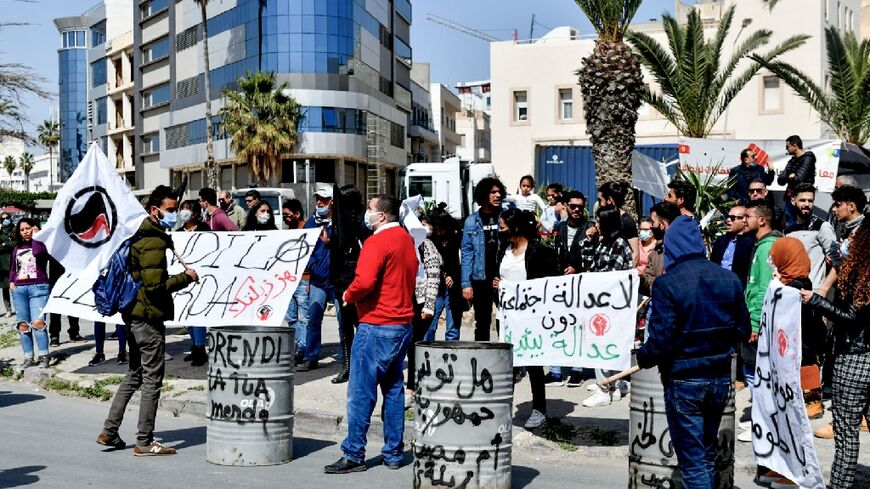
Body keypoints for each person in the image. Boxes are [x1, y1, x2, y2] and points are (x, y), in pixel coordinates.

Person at [636, 215, 750, 489]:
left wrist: (643, 356)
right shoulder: (729, 279)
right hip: (720, 379)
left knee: (694, 462)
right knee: (707, 453)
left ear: (673, 246)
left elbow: (661, 339)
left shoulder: (667, 283)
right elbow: (743, 330)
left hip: (685, 380)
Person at [97, 185, 199, 456]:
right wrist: (185, 278)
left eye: (175, 209)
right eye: (169, 210)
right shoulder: (152, 240)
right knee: (152, 379)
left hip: (133, 316)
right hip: (148, 318)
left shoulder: (144, 234)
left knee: (134, 374)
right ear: (154, 210)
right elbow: (155, 286)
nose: (174, 214)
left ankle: (110, 431)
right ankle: (144, 440)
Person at [324, 194, 417, 474]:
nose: (366, 213)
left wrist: (349, 295)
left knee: (361, 393)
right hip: (401, 324)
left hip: (376, 324)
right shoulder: (406, 240)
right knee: (393, 389)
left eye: (370, 209)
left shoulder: (377, 242)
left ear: (383, 215)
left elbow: (364, 281)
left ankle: (353, 453)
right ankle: (393, 453)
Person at [801, 218, 870, 489]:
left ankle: (838, 486)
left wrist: (816, 300)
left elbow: (851, 319)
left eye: (854, 239)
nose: (848, 243)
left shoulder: (862, 279)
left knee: (846, 435)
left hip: (853, 359)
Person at [493, 208, 560, 428]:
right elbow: (498, 278)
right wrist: (498, 288)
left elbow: (548, 285)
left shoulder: (538, 252)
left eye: (503, 227)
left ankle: (539, 409)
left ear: (516, 228)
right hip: (505, 315)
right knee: (505, 364)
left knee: (533, 363)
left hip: (530, 317)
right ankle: (502, 409)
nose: (500, 231)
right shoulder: (503, 248)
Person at [578, 205, 634, 407]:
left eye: (599, 221)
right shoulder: (604, 243)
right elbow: (590, 265)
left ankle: (606, 388)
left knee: (605, 346)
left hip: (612, 306)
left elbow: (611, 277)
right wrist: (589, 242)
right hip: (599, 304)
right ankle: (611, 385)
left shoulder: (619, 244)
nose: (596, 225)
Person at [737, 201, 781, 443]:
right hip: (755, 319)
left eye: (748, 217)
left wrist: (754, 323)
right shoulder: (760, 245)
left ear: (762, 220)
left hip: (760, 323)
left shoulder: (767, 248)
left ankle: (764, 423)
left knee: (756, 370)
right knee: (753, 368)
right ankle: (759, 419)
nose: (745, 220)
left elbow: (763, 289)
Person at [769, 237, 826, 419]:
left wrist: (776, 285)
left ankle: (812, 402)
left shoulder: (794, 286)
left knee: (806, 364)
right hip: (804, 339)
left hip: (803, 342)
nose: (772, 258)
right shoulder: (800, 279)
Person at [298, 186, 342, 372]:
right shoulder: (311, 223)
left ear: (332, 201)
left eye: (323, 199)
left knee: (343, 320)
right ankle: (311, 357)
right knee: (313, 319)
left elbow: (347, 248)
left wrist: (331, 243)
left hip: (338, 281)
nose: (319, 202)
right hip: (317, 281)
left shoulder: (340, 222)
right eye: (317, 198)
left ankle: (345, 357)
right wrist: (312, 267)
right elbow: (304, 248)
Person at [329, 184, 368, 384]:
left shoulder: (363, 223)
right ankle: (347, 367)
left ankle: (362, 367)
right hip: (340, 280)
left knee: (361, 325)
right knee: (344, 327)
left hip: (359, 281)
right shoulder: (338, 221)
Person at [461, 177, 506, 341]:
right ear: (483, 195)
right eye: (493, 192)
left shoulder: (506, 216)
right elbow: (467, 253)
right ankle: (482, 361)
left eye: (499, 192)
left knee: (506, 320)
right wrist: (466, 284)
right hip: (480, 279)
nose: (497, 195)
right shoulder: (472, 221)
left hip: (503, 277)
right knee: (482, 322)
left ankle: (508, 360)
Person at [404, 214, 440, 406]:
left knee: (414, 345)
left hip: (420, 302)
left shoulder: (428, 247)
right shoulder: (403, 244)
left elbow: (434, 278)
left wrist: (429, 305)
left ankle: (412, 387)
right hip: (403, 301)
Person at [10, 217, 52, 369]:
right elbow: (14, 268)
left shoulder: (41, 244)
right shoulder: (17, 248)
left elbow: (38, 252)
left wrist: (36, 236)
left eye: (28, 228)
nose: (25, 232)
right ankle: (28, 357)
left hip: (39, 287)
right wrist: (12, 282)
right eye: (22, 230)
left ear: (34, 227)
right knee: (23, 325)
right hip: (19, 289)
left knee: (38, 322)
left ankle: (44, 356)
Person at [785, 183, 841, 297]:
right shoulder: (788, 231)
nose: (807, 204)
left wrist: (824, 290)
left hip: (813, 294)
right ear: (793, 201)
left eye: (810, 201)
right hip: (791, 293)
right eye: (802, 200)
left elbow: (838, 261)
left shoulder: (822, 226)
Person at [176, 199, 210, 367]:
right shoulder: (178, 232)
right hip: (184, 279)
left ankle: (200, 348)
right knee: (187, 314)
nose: (184, 212)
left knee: (198, 315)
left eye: (188, 209)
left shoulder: (205, 230)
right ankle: (195, 344)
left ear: (196, 213)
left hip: (201, 279)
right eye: (182, 209)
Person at [426, 206, 463, 342]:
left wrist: (453, 276)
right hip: (436, 286)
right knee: (430, 324)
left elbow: (461, 261)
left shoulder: (457, 237)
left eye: (441, 228)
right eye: (436, 228)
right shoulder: (431, 240)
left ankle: (452, 354)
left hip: (455, 287)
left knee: (452, 326)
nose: (438, 232)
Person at [282, 198, 308, 364]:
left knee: (304, 318)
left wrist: (310, 282)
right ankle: (299, 346)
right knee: (291, 317)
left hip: (304, 280)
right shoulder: (287, 232)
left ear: (297, 214)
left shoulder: (308, 229)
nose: (285, 218)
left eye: (288, 215)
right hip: (288, 279)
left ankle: (303, 349)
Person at [709, 205, 755, 288]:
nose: (728, 220)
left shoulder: (750, 243)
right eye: (728, 217)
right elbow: (712, 265)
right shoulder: (720, 241)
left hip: (737, 289)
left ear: (744, 220)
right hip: (718, 287)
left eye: (733, 218)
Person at [641, 202, 681, 296]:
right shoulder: (656, 252)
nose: (651, 226)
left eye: (653, 222)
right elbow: (648, 276)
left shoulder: (683, 249)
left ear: (662, 224)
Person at [553, 191, 594, 275]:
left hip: (582, 277)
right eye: (573, 206)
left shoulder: (591, 228)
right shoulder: (560, 228)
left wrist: (576, 268)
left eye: (580, 207)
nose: (577, 209)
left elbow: (594, 256)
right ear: (565, 205)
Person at [598, 181, 640, 265]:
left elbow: (635, 255)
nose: (599, 204)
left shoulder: (627, 221)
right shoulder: (604, 219)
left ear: (609, 200)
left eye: (600, 200)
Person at [779, 135, 816, 227]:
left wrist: (792, 176)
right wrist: (790, 176)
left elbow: (799, 178)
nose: (786, 149)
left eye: (787, 146)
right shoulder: (791, 161)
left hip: (803, 196)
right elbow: (780, 180)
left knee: (804, 223)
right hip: (790, 197)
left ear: (794, 146)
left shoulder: (808, 158)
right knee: (790, 223)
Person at [47, 257, 84, 345]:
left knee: (73, 305)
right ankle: (54, 335)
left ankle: (74, 333)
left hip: (71, 274)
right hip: (56, 276)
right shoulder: (54, 244)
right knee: (55, 308)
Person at [829, 185, 866, 259]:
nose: (833, 209)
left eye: (838, 205)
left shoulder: (865, 232)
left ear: (852, 207)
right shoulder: (846, 229)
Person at [827, 175, 859, 240]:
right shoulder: (834, 207)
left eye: (838, 188)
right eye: (835, 188)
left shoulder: (865, 209)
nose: (834, 191)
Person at [0, 213, 15, 317]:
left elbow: (17, 242)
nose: (6, 220)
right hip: (2, 263)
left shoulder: (15, 230)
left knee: (16, 287)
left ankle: (19, 308)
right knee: (5, 288)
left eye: (8, 218)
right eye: (4, 218)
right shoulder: (0, 232)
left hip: (14, 262)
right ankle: (8, 309)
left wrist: (6, 244)